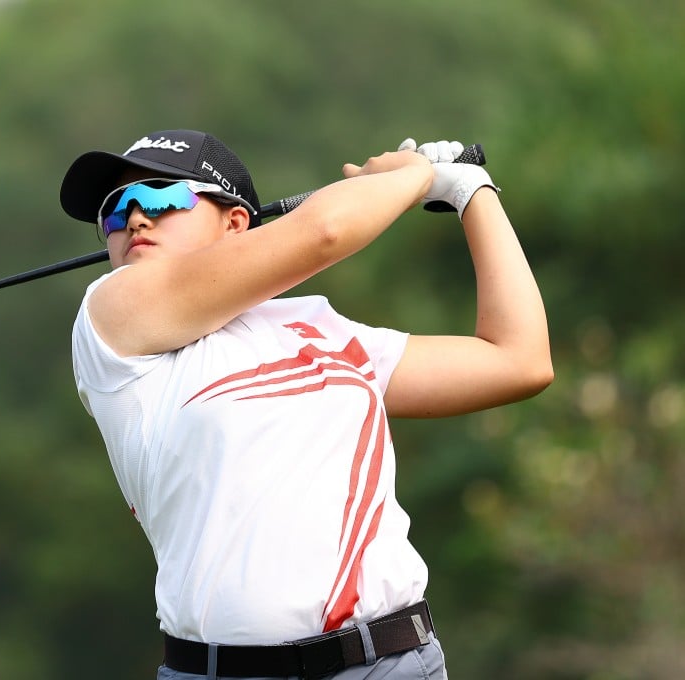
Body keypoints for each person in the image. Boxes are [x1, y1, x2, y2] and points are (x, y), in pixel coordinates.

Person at [60, 129, 552, 680]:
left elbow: (519, 360)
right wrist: (414, 172)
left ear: (235, 222)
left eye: (159, 198)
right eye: (114, 211)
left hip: (390, 663)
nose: (134, 220)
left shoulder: (322, 331)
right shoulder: (113, 317)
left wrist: (469, 192)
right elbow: (326, 230)